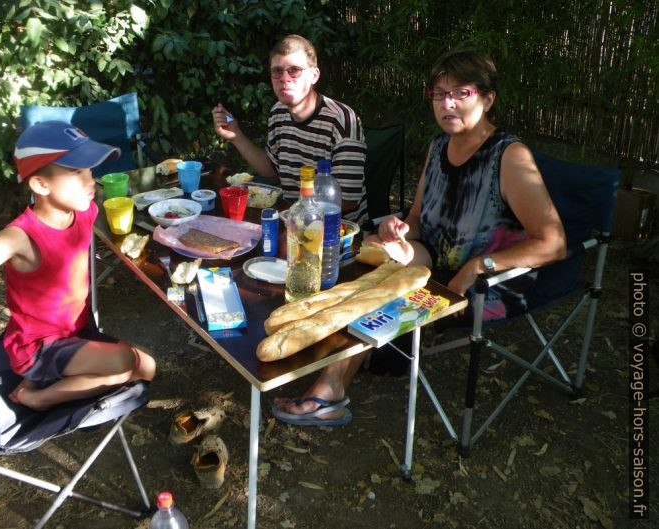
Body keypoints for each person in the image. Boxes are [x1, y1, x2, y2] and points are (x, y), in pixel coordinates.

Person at [273, 49, 566, 423]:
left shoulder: (509, 156)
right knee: (368, 265)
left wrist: (480, 265)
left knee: (382, 292)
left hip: (486, 284)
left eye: (461, 93)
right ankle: (329, 382)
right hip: (435, 264)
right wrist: (397, 229)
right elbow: (416, 219)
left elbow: (553, 243)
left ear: (488, 98)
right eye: (439, 94)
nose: (447, 104)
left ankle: (327, 392)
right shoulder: (439, 146)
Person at [0, 121, 156, 411]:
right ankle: (37, 397)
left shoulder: (84, 211)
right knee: (124, 362)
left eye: (91, 171)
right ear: (40, 184)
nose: (91, 181)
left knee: (149, 367)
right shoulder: (19, 237)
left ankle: (45, 382)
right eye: (77, 172)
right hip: (38, 348)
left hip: (75, 332)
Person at [212, 34, 368, 223]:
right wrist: (236, 135)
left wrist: (296, 215)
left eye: (294, 70)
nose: (284, 78)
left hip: (337, 233)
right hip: (292, 221)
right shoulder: (278, 112)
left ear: (314, 75)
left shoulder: (342, 121)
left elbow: (347, 201)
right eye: (277, 71)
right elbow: (270, 170)